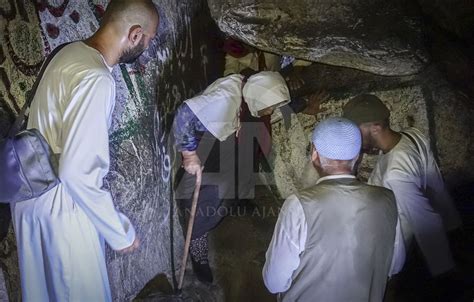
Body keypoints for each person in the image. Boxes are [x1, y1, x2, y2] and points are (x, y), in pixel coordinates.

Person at [11, 1, 159, 301]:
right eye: (149, 38)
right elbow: (78, 173)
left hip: (31, 201)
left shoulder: (68, 51)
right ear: (134, 34)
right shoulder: (96, 78)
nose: (148, 45)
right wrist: (119, 233)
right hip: (63, 212)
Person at [173, 71, 292, 283]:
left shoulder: (246, 89)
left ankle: (233, 201)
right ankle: (197, 243)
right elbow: (184, 113)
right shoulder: (226, 97)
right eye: (270, 105)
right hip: (204, 142)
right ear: (260, 95)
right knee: (212, 192)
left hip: (222, 137)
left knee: (241, 171)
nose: (271, 110)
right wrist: (188, 153)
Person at [263, 117, 398, 301]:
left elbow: (274, 282)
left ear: (314, 154)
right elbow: (394, 265)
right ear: (358, 156)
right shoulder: (387, 199)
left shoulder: (299, 205)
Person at [342, 94, 462, 277]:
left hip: (392, 255)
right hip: (419, 239)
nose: (352, 137)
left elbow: (425, 221)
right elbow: (432, 185)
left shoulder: (395, 174)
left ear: (375, 128)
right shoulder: (411, 135)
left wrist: (444, 271)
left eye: (356, 130)